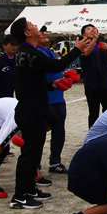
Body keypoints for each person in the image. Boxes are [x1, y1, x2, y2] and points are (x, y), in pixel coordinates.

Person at [8, 17, 90, 209]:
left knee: (34, 151)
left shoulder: (26, 52)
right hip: (30, 109)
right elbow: (57, 66)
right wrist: (76, 49)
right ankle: (20, 195)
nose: (36, 26)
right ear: (27, 33)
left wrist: (50, 84)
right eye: (32, 25)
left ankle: (29, 188)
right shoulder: (29, 52)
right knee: (29, 154)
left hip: (33, 106)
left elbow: (29, 82)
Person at [37, 26, 72, 174]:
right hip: (46, 99)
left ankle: (55, 161)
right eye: (41, 33)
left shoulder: (49, 51)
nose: (45, 35)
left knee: (59, 131)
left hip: (58, 98)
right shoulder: (37, 54)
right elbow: (55, 67)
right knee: (40, 133)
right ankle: (36, 165)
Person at [79, 24, 107, 127]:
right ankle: (93, 136)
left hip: (105, 83)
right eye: (88, 29)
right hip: (91, 85)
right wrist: (94, 41)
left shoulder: (102, 45)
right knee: (93, 112)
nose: (92, 30)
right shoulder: (81, 46)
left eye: (93, 29)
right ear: (83, 34)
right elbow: (85, 54)